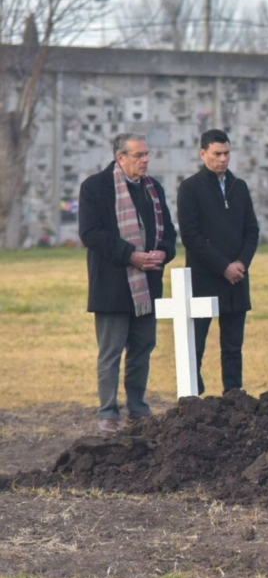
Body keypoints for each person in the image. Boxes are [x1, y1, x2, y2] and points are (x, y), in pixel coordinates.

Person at [79, 133, 176, 434]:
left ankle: (138, 410)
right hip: (112, 286)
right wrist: (130, 255)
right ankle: (108, 413)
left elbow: (170, 234)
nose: (145, 160)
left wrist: (164, 251)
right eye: (138, 155)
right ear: (120, 158)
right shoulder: (95, 187)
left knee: (143, 348)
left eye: (147, 154)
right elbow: (91, 234)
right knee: (110, 353)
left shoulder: (153, 189)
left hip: (147, 286)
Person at [178, 129, 260, 395]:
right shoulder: (190, 188)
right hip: (204, 278)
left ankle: (234, 397)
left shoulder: (240, 187)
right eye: (217, 154)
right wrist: (223, 266)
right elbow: (191, 236)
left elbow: (251, 231)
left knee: (233, 346)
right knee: (196, 344)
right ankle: (193, 397)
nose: (223, 159)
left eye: (226, 153)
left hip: (236, 279)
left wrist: (240, 265)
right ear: (203, 154)